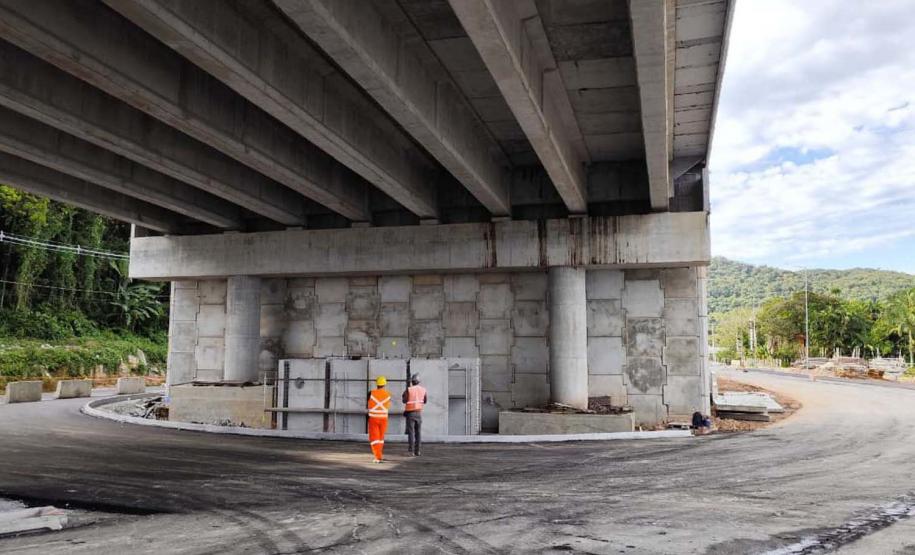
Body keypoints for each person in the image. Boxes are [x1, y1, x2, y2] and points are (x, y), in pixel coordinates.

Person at [367, 376, 392, 463]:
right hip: (384, 419)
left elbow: (368, 404)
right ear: (384, 384)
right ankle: (379, 455)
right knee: (381, 438)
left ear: (377, 384)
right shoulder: (388, 394)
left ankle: (377, 457)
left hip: (373, 419)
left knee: (374, 439)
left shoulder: (371, 393)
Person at [402, 374, 427, 457]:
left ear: (412, 382)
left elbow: (404, 400)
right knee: (418, 433)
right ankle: (418, 451)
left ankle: (411, 451)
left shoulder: (409, 390)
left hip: (410, 414)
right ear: (419, 382)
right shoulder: (423, 390)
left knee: (411, 433)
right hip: (418, 413)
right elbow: (425, 400)